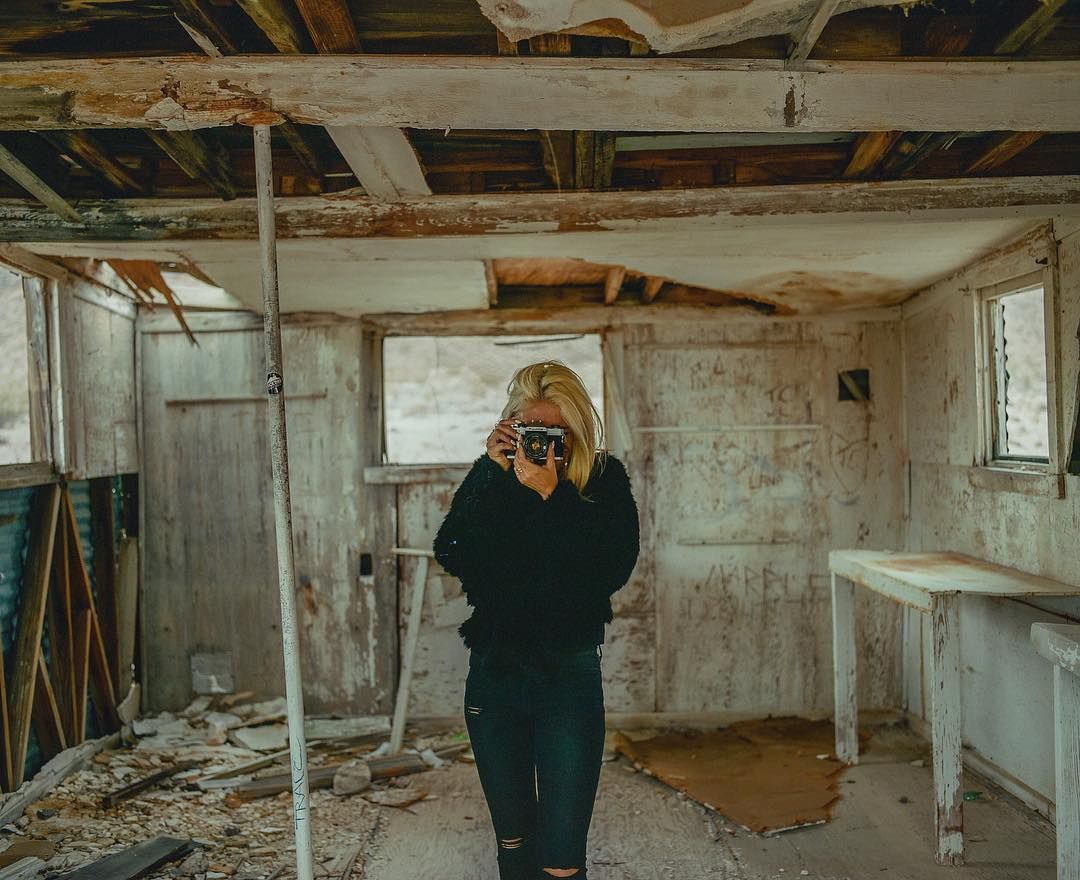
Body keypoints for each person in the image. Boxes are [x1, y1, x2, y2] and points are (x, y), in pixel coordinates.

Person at [433, 360, 640, 880]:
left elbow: (609, 570)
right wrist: (489, 471)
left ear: (576, 430)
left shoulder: (602, 480)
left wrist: (554, 497)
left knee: (562, 853)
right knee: (515, 843)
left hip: (568, 678)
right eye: (532, 430)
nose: (546, 443)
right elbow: (451, 550)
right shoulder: (495, 480)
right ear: (513, 428)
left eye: (557, 431)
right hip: (495, 676)